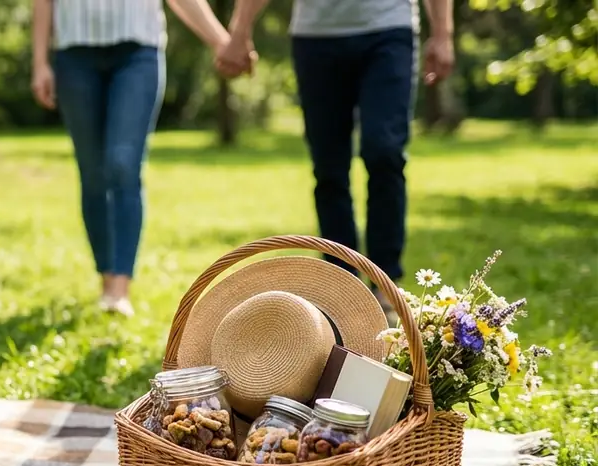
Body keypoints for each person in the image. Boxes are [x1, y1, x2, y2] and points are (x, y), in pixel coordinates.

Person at [215, 0, 454, 322]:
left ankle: (385, 284)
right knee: (329, 168)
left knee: (384, 152)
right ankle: (341, 286)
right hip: (316, 36)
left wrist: (443, 33)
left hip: (388, 28)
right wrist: (240, 30)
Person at [32, 0, 233, 316]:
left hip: (138, 52)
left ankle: (119, 289)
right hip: (74, 56)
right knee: (93, 173)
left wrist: (221, 41)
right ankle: (107, 276)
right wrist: (39, 61)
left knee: (123, 163)